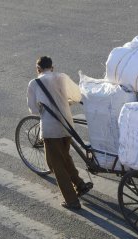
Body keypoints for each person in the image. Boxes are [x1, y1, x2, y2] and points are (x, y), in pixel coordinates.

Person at [27, 56, 92, 210]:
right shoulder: (62, 77)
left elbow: (33, 110)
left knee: (56, 165)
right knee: (65, 156)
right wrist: (65, 102)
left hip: (51, 129)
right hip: (67, 125)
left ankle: (71, 200)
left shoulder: (34, 83)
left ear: (38, 69)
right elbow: (77, 95)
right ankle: (79, 183)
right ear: (52, 67)